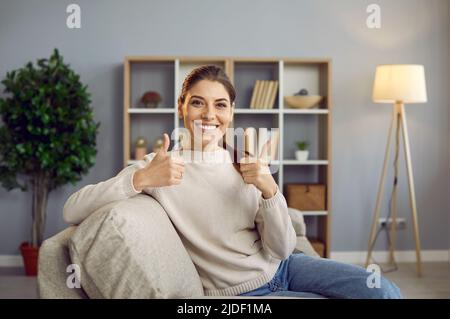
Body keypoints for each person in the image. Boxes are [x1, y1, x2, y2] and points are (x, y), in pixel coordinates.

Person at [63, 65, 402, 299]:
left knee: (382, 290)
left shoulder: (243, 160)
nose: (209, 115)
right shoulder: (160, 168)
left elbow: (280, 250)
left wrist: (269, 190)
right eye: (198, 103)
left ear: (231, 113)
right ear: (182, 107)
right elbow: (72, 209)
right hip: (239, 293)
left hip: (286, 267)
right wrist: (140, 178)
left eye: (220, 105)